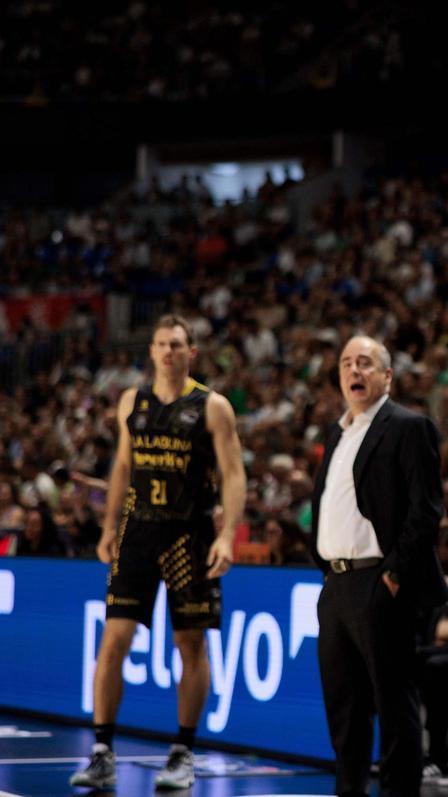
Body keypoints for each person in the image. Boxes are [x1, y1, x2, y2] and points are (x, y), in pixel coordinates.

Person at [71, 314, 246, 791]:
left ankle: (183, 752)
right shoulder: (133, 400)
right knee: (114, 640)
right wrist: (108, 527)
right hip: (138, 531)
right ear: (151, 351)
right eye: (161, 344)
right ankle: (103, 750)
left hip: (190, 533)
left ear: (191, 352)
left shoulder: (213, 407)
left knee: (190, 644)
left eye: (177, 344)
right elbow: (123, 464)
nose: (168, 351)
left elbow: (233, 474)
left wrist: (228, 534)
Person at [309, 334, 448, 797]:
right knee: (344, 707)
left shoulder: (409, 427)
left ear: (387, 376)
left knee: (394, 704)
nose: (354, 371)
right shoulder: (337, 431)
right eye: (347, 363)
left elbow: (426, 511)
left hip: (378, 580)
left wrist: (393, 574)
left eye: (365, 362)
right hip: (337, 583)